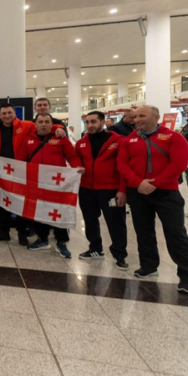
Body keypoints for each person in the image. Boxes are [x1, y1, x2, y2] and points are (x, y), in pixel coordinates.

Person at [118, 106, 188, 294]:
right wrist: (138, 183)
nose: (137, 119)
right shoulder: (128, 140)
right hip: (138, 193)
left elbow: (178, 164)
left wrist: (155, 183)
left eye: (142, 116)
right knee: (143, 232)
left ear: (156, 117)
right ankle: (148, 266)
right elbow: (122, 164)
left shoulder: (174, 138)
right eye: (135, 116)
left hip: (166, 194)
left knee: (175, 234)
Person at [0, 103, 66, 245]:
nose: (7, 116)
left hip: (21, 171)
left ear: (14, 113)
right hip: (1, 171)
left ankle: (22, 233)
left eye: (9, 113)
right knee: (3, 202)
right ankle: (3, 232)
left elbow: (45, 126)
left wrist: (59, 128)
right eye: (4, 113)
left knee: (20, 203)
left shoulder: (26, 125)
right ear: (0, 115)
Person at [15, 114, 83, 258]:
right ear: (36, 124)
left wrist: (77, 167)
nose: (44, 124)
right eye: (40, 122)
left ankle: (62, 241)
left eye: (47, 122)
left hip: (57, 183)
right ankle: (42, 238)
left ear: (52, 124)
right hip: (37, 182)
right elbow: (21, 160)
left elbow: (71, 156)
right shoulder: (28, 139)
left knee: (58, 211)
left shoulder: (60, 139)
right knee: (40, 210)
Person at [75, 111, 128, 269]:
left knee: (115, 222)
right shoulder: (81, 143)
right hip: (86, 189)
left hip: (110, 190)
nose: (90, 125)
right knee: (90, 220)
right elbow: (76, 159)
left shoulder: (118, 141)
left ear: (103, 122)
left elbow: (124, 167)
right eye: (87, 122)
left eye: (93, 122)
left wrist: (122, 190)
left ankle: (119, 254)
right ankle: (95, 248)